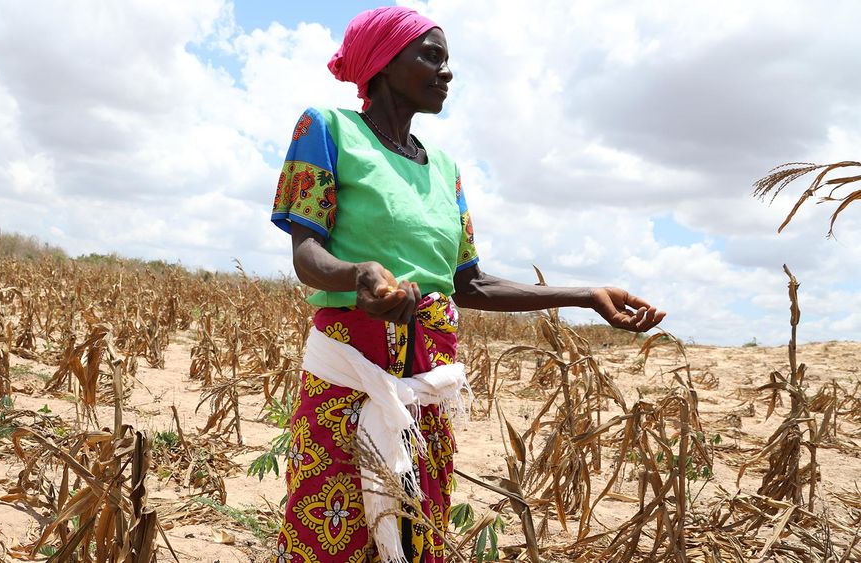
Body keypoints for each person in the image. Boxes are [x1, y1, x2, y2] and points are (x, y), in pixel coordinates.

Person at [268, 7, 665, 562]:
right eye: (431, 56)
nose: (447, 71)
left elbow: (469, 284)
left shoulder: (446, 169)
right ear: (384, 62)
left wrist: (583, 295)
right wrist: (357, 276)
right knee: (331, 532)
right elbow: (307, 253)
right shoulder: (326, 129)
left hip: (429, 387)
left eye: (447, 59)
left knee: (414, 532)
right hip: (351, 380)